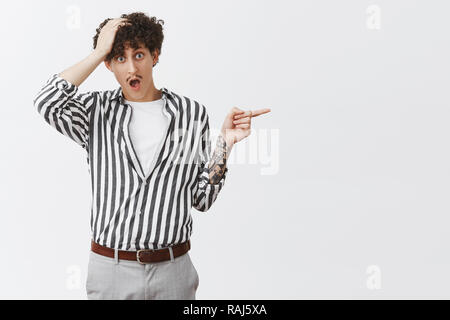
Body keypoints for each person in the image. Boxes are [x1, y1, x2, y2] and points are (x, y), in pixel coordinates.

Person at [33, 12, 270, 300]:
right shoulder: (94, 112)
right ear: (108, 64)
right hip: (111, 271)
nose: (132, 67)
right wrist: (98, 52)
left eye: (139, 54)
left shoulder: (189, 113)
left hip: (173, 272)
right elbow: (47, 100)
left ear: (154, 55)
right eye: (120, 58)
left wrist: (224, 146)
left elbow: (201, 199)